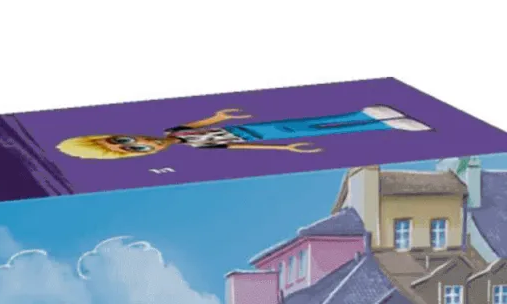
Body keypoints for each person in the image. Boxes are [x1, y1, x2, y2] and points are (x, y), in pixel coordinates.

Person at [57, 105, 430, 161]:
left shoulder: (175, 131)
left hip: (250, 127)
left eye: (125, 140)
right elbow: (237, 148)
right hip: (256, 137)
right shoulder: (196, 148)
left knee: (311, 122)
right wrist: (286, 151)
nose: (142, 143)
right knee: (313, 130)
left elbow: (205, 123)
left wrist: (219, 115)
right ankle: (380, 124)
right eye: (135, 150)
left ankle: (364, 115)